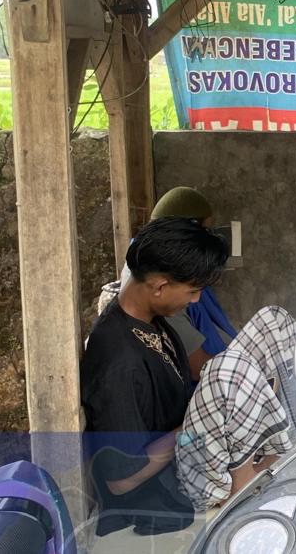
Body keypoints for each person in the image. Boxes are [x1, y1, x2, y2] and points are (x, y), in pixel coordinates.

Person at [81, 217, 229, 536]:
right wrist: (194, 428)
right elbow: (121, 480)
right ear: (160, 286)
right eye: (192, 291)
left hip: (184, 459)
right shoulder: (118, 362)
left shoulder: (150, 320)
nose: (195, 300)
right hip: (152, 494)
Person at [176, 305, 296, 510]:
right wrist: (249, 382)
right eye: (191, 291)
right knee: (232, 367)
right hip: (192, 455)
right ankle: (239, 485)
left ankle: (285, 423)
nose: (195, 297)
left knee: (275, 318)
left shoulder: (175, 308)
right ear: (157, 289)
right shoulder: (160, 326)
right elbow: (145, 460)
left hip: (213, 416)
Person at [98, 187, 239, 381]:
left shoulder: (162, 284)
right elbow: (196, 367)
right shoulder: (127, 362)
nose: (196, 298)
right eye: (204, 232)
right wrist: (242, 374)